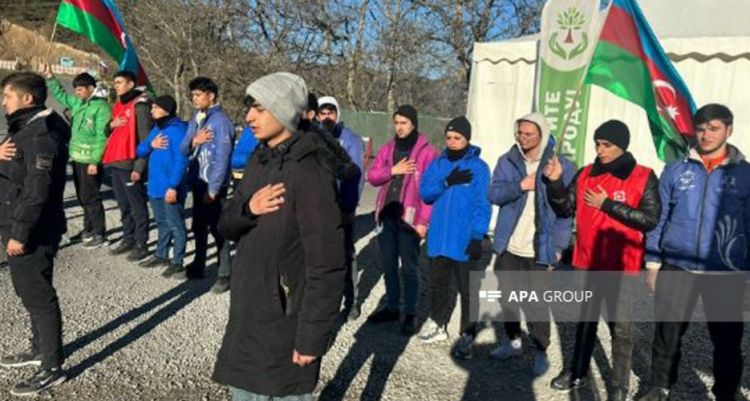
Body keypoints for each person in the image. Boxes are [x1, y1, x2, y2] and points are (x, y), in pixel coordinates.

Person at [213, 72, 345, 401]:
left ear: (284, 110)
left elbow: (327, 265)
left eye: (259, 108)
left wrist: (311, 338)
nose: (248, 117)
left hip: (285, 326)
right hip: (248, 316)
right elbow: (225, 224)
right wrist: (249, 209)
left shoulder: (311, 172)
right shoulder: (259, 159)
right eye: (249, 108)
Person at [638, 104, 750, 401]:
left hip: (725, 269)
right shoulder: (676, 169)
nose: (706, 135)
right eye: (701, 129)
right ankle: (660, 386)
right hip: (678, 265)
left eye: (714, 128)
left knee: (727, 339)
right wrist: (652, 263)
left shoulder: (744, 174)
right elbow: (659, 217)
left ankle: (727, 391)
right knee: (668, 334)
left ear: (729, 130)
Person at [544, 120, 661, 401]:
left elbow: (649, 219)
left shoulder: (642, 176)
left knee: (621, 330)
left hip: (623, 266)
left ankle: (619, 387)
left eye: (606, 145)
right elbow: (565, 209)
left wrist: (608, 205)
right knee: (584, 322)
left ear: (622, 146)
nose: (600, 149)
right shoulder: (586, 173)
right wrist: (556, 183)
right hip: (586, 262)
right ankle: (577, 372)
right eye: (597, 143)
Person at [487, 112, 575, 375]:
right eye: (519, 132)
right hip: (510, 244)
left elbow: (565, 213)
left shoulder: (561, 165)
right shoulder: (508, 160)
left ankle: (540, 350)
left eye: (528, 134)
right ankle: (512, 340)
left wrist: (559, 247)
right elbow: (494, 193)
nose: (522, 138)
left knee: (537, 302)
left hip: (540, 247)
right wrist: (520, 185)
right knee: (507, 297)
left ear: (542, 135)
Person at [0, 72, 70, 396]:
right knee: (28, 292)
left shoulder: (41, 135)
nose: (3, 102)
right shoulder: (24, 128)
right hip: (15, 224)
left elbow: (37, 192)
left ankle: (52, 367)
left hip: (32, 230)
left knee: (38, 296)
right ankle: (38, 348)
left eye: (8, 96)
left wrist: (20, 233)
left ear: (27, 99)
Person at [417, 116, 491, 359]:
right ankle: (438, 323)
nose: (452, 142)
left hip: (462, 239)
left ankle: (467, 334)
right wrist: (447, 181)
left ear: (467, 138)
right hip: (439, 237)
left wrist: (477, 236)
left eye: (457, 138)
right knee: (438, 284)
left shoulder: (479, 168)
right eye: (449, 137)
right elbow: (426, 193)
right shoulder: (438, 164)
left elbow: (483, 203)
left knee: (467, 288)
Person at [366, 104, 438, 335]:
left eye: (404, 123)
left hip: (410, 219)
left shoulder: (427, 153)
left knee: (409, 267)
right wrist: (392, 171)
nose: (399, 127)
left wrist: (423, 222)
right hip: (388, 215)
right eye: (396, 122)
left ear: (414, 124)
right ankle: (392, 307)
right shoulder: (388, 149)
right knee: (388, 264)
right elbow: (372, 177)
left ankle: (410, 312)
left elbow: (429, 192)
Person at [42, 65, 111, 248]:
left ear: (91, 88)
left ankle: (99, 232)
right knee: (82, 196)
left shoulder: (101, 108)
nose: (77, 92)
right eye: (76, 89)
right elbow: (61, 96)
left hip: (90, 160)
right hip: (77, 157)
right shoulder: (78, 103)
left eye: (81, 89)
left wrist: (95, 161)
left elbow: (101, 137)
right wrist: (50, 77)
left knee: (91, 196)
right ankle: (88, 228)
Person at [179, 77, 234, 291]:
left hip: (213, 184)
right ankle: (199, 264)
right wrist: (195, 141)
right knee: (198, 226)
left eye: (198, 95)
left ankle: (224, 273)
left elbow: (222, 158)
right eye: (192, 95)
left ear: (211, 96)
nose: (194, 99)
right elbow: (184, 148)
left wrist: (214, 189)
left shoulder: (221, 122)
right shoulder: (196, 118)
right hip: (197, 180)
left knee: (217, 228)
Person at [317, 95, 365, 320]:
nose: (327, 116)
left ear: (338, 114)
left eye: (331, 112)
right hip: (316, 208)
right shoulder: (311, 138)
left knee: (346, 254)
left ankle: (352, 300)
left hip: (341, 208)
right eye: (323, 112)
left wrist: (347, 207)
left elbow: (356, 176)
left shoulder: (351, 140)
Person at [135, 95, 190, 278]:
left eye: (155, 108)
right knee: (161, 222)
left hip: (170, 188)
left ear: (166, 109)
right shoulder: (157, 129)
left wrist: (173, 186)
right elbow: (140, 151)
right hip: (155, 185)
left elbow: (181, 161)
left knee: (176, 224)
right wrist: (151, 144)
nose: (151, 111)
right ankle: (161, 254)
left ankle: (178, 262)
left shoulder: (178, 131)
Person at [102, 70, 152, 262]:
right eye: (115, 82)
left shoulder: (140, 106)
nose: (116, 85)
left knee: (137, 206)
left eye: (120, 82)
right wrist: (111, 125)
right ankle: (128, 237)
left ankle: (142, 244)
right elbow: (108, 130)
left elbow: (145, 140)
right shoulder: (118, 105)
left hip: (131, 164)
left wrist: (139, 168)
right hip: (116, 162)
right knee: (123, 206)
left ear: (131, 84)